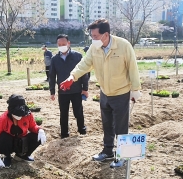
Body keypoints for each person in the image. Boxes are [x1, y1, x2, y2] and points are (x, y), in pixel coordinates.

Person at [60, 19, 141, 162]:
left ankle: (122, 156)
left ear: (106, 34)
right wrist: (72, 77)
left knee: (121, 127)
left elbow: (133, 68)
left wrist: (135, 89)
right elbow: (84, 64)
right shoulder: (94, 48)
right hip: (104, 92)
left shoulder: (123, 46)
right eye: (91, 36)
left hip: (121, 92)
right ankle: (108, 151)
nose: (93, 39)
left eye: (95, 36)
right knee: (107, 124)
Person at [0, 94, 46, 170]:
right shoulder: (2, 120)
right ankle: (7, 156)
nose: (20, 116)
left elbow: (33, 127)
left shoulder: (28, 115)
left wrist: (40, 130)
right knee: (4, 136)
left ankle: (22, 155)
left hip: (20, 141)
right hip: (7, 144)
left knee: (37, 135)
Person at [49, 34, 89, 139]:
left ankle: (82, 130)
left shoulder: (77, 56)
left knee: (78, 111)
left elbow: (84, 73)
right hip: (62, 92)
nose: (62, 46)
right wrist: (52, 91)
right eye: (59, 44)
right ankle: (64, 133)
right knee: (63, 113)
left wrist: (85, 89)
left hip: (76, 90)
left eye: (64, 44)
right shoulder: (55, 59)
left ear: (68, 43)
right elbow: (52, 76)